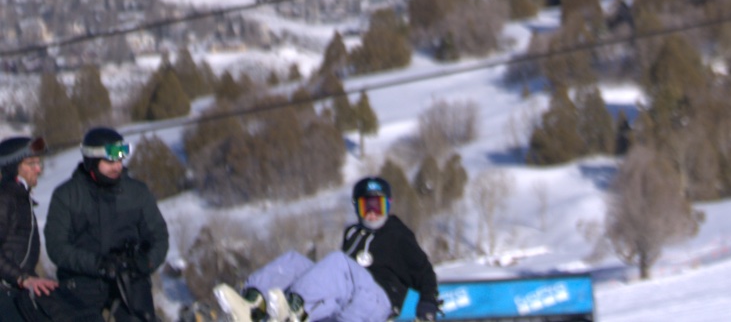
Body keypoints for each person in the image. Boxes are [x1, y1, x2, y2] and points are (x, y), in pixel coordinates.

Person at [215, 176, 438, 322]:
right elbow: (335, 282)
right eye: (366, 206)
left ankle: (295, 310)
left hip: (378, 304)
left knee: (338, 262)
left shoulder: (397, 234)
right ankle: (253, 304)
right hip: (347, 304)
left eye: (377, 206)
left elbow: (425, 272)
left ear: (387, 205)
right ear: (357, 208)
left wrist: (427, 307)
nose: (372, 213)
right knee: (294, 261)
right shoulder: (352, 233)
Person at [45, 127, 169, 322]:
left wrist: (147, 261)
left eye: (120, 160)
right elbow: (57, 247)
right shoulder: (67, 196)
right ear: (92, 162)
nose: (117, 167)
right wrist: (98, 264)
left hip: (130, 283)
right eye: (110, 161)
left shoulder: (136, 193)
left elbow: (159, 236)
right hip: (81, 285)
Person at [0, 135, 66, 322]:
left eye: (38, 163)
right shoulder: (5, 198)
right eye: (31, 164)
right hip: (6, 294)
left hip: (16, 291)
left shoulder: (20, 197)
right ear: (13, 167)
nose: (38, 169)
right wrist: (22, 278)